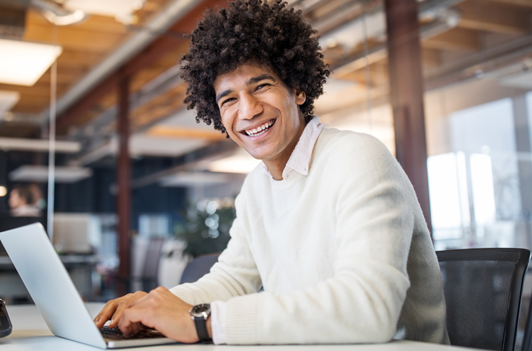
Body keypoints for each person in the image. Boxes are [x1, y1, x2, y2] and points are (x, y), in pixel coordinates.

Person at [94, 0, 449, 345]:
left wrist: (203, 323)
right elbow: (232, 280)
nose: (247, 110)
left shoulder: (358, 157)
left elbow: (370, 306)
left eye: (261, 86)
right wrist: (154, 307)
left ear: (297, 88)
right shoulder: (256, 189)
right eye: (229, 99)